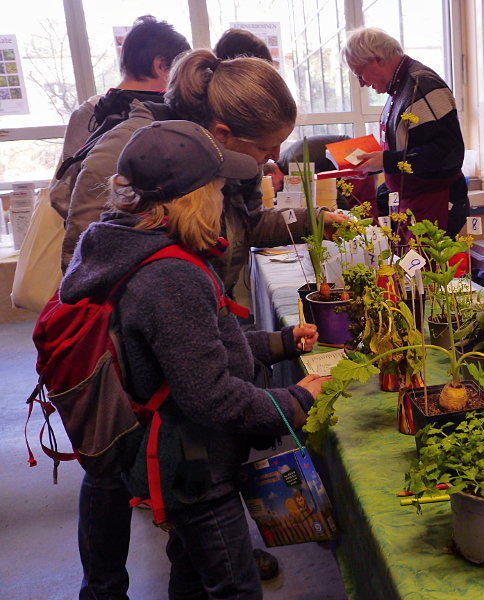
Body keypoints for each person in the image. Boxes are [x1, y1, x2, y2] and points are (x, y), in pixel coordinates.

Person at [64, 49, 344, 599]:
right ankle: (102, 589)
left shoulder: (172, 235)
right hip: (186, 457)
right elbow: (208, 392)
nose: (266, 164)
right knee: (229, 581)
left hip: (179, 445)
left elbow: (202, 348)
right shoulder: (168, 269)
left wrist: (276, 341)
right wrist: (296, 400)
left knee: (193, 564)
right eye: (263, 150)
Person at [49, 15, 190, 220]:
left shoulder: (89, 111)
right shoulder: (167, 115)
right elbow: (64, 193)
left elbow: (60, 193)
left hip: (96, 233)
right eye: (179, 69)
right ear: (160, 65)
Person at [341, 27, 469, 240]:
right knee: (413, 272)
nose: (361, 83)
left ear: (378, 59)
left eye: (359, 73)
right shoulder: (400, 88)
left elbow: (448, 153)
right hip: (413, 202)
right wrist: (375, 163)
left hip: (434, 202)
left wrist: (386, 160)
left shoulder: (421, 84)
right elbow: (410, 147)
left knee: (428, 272)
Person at [262, 134, 377, 213]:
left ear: (270, 178)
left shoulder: (295, 165)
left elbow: (335, 198)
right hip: (342, 160)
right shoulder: (285, 161)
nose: (275, 193)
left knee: (361, 212)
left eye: (274, 190)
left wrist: (341, 214)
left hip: (353, 157)